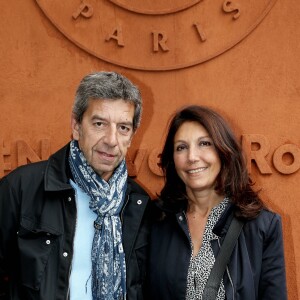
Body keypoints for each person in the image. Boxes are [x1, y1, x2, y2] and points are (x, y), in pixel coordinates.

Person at [0, 71, 152, 300]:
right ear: (76, 125)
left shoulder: (138, 203)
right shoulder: (21, 188)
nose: (111, 140)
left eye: (123, 128)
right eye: (99, 123)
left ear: (131, 136)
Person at [147, 105, 287, 300]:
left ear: (224, 150)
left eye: (204, 143)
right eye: (181, 147)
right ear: (172, 159)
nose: (192, 157)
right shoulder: (155, 220)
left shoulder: (262, 225)